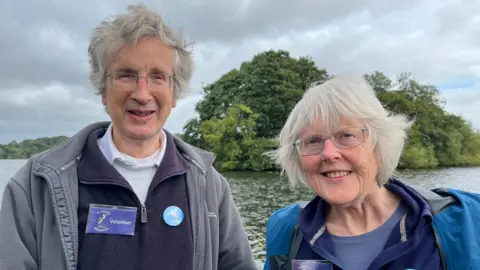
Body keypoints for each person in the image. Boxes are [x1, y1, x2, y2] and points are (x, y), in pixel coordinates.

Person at [0, 4, 257, 270]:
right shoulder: (34, 186)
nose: (142, 94)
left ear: (175, 92)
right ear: (103, 88)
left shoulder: (210, 186)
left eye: (158, 76)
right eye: (126, 75)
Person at [263, 77, 480, 270]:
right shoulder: (287, 228)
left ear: (380, 145)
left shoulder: (463, 218)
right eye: (312, 141)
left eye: (347, 136)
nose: (329, 154)